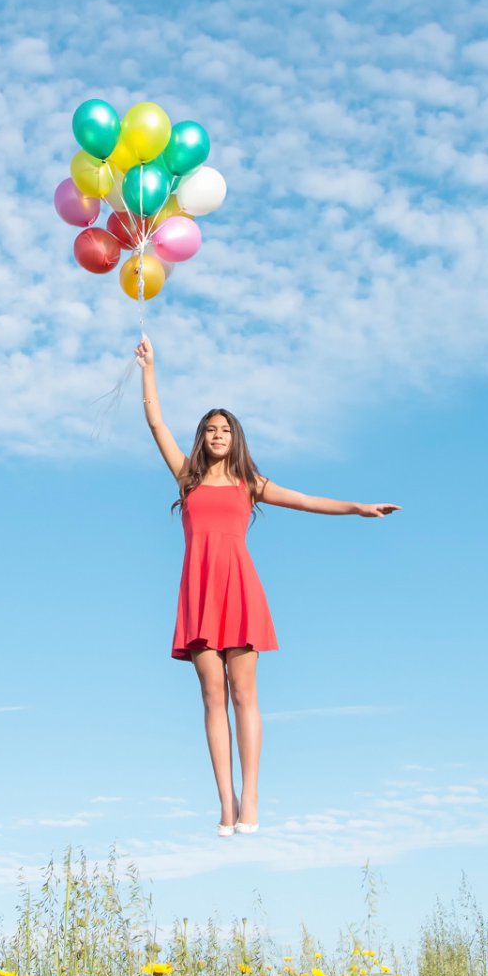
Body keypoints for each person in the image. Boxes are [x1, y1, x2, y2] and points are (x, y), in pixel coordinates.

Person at [135, 335, 400, 837]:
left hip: (239, 590)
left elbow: (302, 499)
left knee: (244, 696)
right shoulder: (187, 478)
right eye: (211, 429)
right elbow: (155, 423)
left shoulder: (247, 483)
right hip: (199, 593)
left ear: (235, 439)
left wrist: (357, 507)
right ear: (202, 437)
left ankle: (252, 794)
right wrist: (150, 368)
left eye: (225, 430)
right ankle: (226, 802)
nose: (217, 435)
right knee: (212, 698)